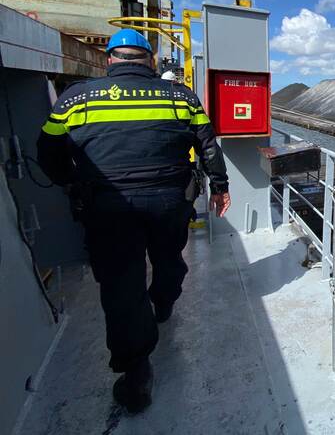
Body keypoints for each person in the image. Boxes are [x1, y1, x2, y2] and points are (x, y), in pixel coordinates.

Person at [36, 28, 231, 413]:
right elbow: (207, 145)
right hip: (169, 201)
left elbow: (47, 151)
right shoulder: (181, 96)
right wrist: (220, 187)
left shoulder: (76, 98)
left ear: (110, 60)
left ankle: (138, 371)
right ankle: (162, 304)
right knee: (170, 260)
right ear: (150, 61)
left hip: (108, 206)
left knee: (122, 285)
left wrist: (75, 183)